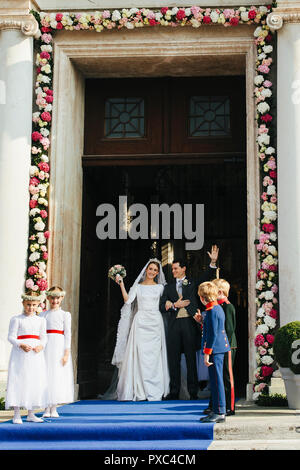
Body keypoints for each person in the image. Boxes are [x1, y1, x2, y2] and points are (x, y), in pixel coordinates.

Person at [159, 245, 219, 400]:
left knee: (191, 359)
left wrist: (212, 263)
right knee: (173, 359)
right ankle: (174, 391)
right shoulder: (168, 287)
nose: (174, 271)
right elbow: (161, 306)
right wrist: (174, 305)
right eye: (172, 269)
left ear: (184, 269)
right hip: (174, 326)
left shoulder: (192, 283)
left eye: (176, 268)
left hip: (189, 324)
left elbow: (206, 277)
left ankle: (193, 392)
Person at [111, 259, 169, 401]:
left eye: (155, 270)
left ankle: (155, 389)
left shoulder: (161, 287)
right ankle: (139, 389)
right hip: (141, 321)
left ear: (157, 273)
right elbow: (127, 301)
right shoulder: (138, 287)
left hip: (155, 322)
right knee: (140, 355)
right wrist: (122, 284)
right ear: (146, 270)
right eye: (151, 269)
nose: (152, 272)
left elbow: (165, 302)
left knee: (155, 356)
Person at [5, 290, 48, 424]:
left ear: (38, 305)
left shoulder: (41, 320)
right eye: (28, 304)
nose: (31, 307)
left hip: (35, 355)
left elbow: (44, 337)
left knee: (33, 380)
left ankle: (31, 413)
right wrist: (20, 344)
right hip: (20, 354)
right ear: (23, 303)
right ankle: (17, 413)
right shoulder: (16, 319)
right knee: (19, 379)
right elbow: (11, 337)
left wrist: (41, 345)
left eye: (34, 305)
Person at [198, 281, 230, 423]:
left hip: (215, 350)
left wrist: (206, 354)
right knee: (216, 381)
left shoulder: (213, 311)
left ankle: (219, 411)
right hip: (216, 349)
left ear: (202, 297)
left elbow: (212, 335)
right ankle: (216, 410)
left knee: (217, 381)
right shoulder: (213, 309)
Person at [41, 286, 74, 418]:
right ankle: (46, 407)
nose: (55, 300)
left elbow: (68, 334)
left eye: (57, 298)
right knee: (46, 375)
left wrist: (66, 352)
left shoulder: (65, 315)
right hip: (46, 346)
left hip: (59, 346)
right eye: (52, 297)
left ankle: (53, 407)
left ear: (62, 298)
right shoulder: (43, 315)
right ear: (48, 298)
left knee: (56, 375)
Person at [213, 278, 237, 415]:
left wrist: (222, 344)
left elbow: (228, 329)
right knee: (218, 376)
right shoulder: (218, 306)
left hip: (227, 346)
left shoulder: (228, 306)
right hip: (219, 345)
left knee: (227, 377)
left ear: (220, 291)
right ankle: (216, 404)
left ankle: (230, 406)